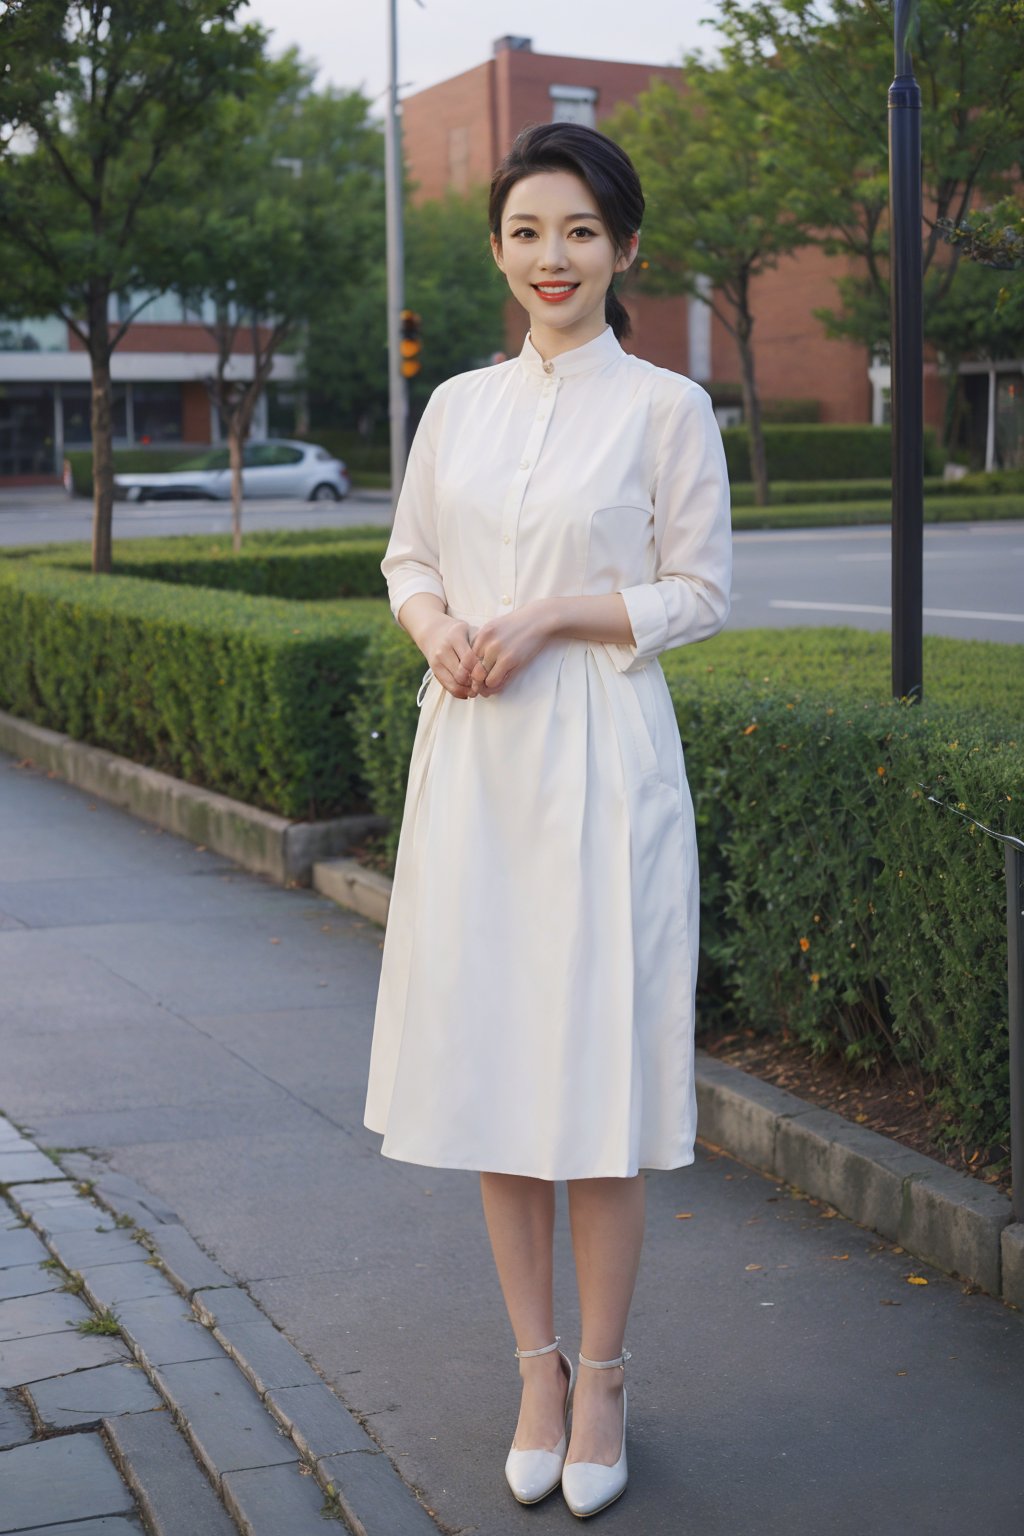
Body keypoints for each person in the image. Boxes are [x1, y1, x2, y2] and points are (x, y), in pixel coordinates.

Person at [364, 121, 732, 1518]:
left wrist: (560, 613)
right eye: (527, 231)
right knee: (500, 1081)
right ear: (500, 252)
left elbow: (700, 590)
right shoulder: (455, 405)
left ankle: (609, 1381)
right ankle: (536, 1365)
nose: (552, 256)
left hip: (602, 761)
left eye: (579, 231)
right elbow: (405, 554)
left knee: (598, 1091)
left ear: (624, 249)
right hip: (473, 765)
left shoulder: (664, 406)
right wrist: (439, 627)